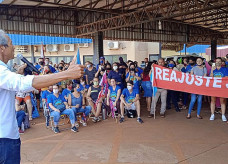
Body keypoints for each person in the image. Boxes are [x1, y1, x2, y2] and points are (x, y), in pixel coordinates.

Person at [0, 29, 84, 164]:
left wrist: (17, 72)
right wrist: (67, 74)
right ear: (2, 48)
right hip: (4, 139)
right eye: (10, 43)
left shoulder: (5, 71)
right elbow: (23, 84)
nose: (14, 47)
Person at [210, 57, 228, 122]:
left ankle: (223, 115)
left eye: (219, 61)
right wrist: (212, 70)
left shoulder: (225, 69)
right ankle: (212, 114)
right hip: (214, 87)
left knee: (222, 101)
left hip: (222, 87)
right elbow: (211, 78)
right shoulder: (213, 69)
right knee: (213, 100)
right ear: (215, 62)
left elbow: (226, 77)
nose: (218, 62)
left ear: (221, 62)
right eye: (217, 61)